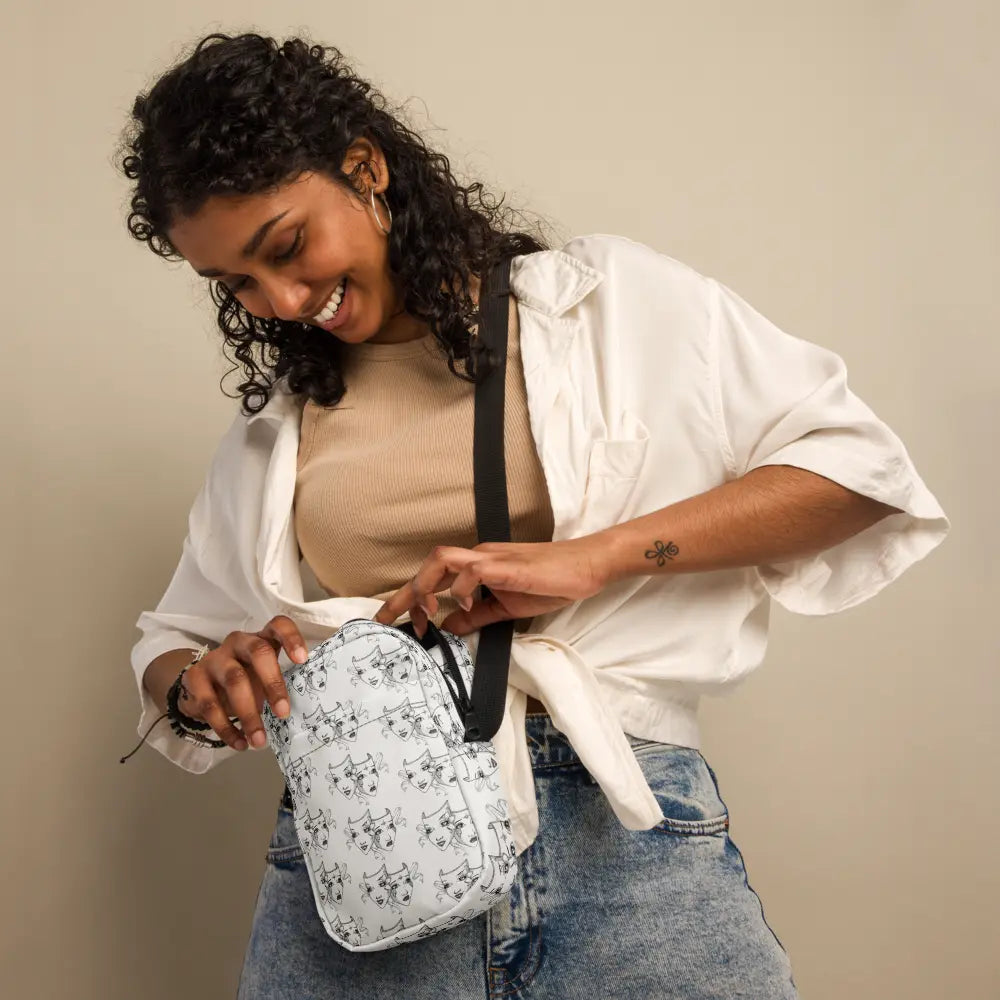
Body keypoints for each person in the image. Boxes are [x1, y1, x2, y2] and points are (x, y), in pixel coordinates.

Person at [117, 31, 950, 1000]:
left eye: (287, 247)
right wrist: (203, 680)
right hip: (362, 856)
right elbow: (172, 642)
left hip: (620, 835)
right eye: (237, 284)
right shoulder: (277, 427)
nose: (284, 300)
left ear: (365, 166)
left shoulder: (603, 306)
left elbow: (856, 474)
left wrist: (594, 558)